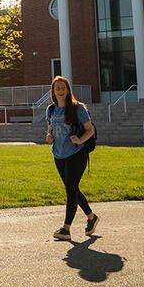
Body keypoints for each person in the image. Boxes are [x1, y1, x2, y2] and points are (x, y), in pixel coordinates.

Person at [45, 74, 98, 241]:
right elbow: (50, 128)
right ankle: (91, 217)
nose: (60, 90)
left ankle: (66, 229)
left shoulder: (78, 108)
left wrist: (80, 140)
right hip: (58, 154)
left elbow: (90, 130)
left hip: (76, 154)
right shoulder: (51, 109)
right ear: (53, 91)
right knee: (72, 188)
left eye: (63, 87)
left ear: (68, 90)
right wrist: (49, 135)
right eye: (57, 88)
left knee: (70, 190)